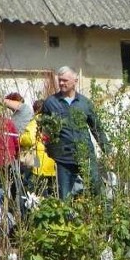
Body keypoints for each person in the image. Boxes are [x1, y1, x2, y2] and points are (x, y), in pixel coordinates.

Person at [41, 66, 110, 199]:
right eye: (60, 80)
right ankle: (66, 220)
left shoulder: (85, 103)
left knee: (96, 191)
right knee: (64, 196)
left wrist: (107, 150)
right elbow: (44, 130)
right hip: (63, 159)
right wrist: (50, 149)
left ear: (75, 80)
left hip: (85, 156)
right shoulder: (50, 103)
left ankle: (100, 218)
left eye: (65, 80)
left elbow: (96, 128)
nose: (61, 83)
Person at [19, 99, 57, 196]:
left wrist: (20, 138)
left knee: (37, 188)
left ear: (35, 110)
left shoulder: (35, 121)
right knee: (53, 189)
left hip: (38, 159)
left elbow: (30, 139)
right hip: (53, 159)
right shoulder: (53, 121)